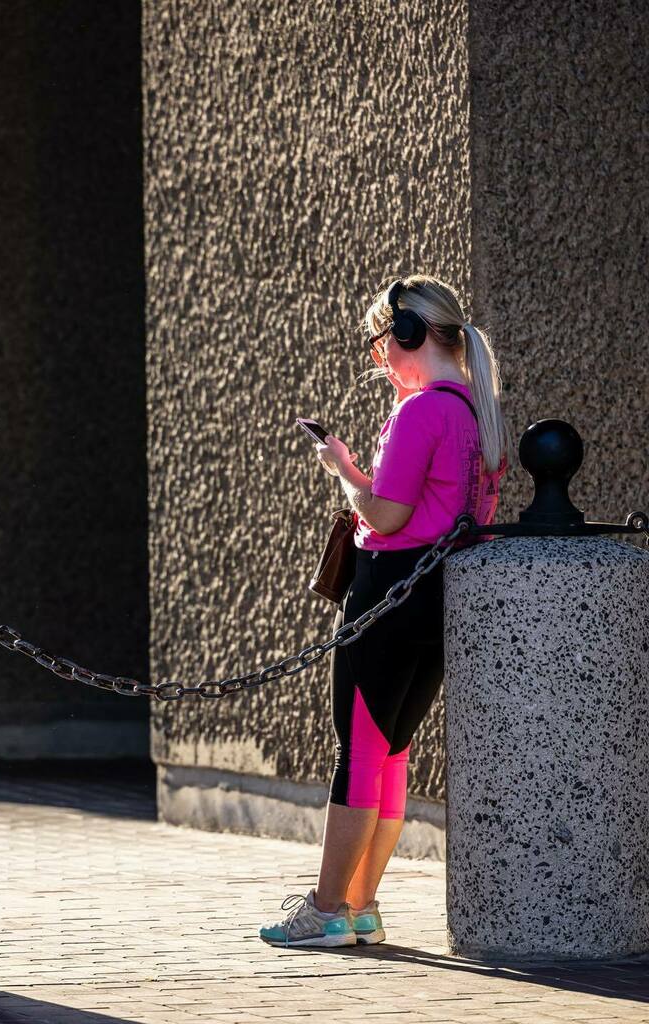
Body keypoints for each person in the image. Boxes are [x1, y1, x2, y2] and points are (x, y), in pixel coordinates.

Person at [260, 274, 510, 948]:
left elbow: (389, 515)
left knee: (360, 751)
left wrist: (342, 471)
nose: (379, 359)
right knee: (391, 752)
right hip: (436, 596)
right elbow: (432, 508)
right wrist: (362, 471)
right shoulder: (474, 410)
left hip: (389, 592)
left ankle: (324, 908)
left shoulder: (423, 410)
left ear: (410, 334)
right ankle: (360, 904)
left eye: (382, 343)